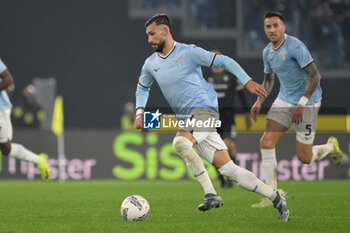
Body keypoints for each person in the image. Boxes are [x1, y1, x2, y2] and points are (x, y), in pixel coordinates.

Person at [134, 13, 290, 221]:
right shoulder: (150, 64)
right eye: (147, 35)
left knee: (180, 142)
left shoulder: (189, 52)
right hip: (187, 119)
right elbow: (142, 88)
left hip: (204, 110)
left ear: (165, 31)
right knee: (229, 169)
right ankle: (276, 197)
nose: (149, 40)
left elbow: (224, 61)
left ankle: (211, 193)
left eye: (152, 34)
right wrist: (139, 112)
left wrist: (248, 81)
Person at [250, 11, 343, 208]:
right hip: (284, 100)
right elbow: (269, 79)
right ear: (265, 29)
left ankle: (331, 148)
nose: (272, 30)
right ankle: (272, 194)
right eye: (268, 26)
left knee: (305, 158)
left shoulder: (296, 46)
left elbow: (315, 76)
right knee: (266, 142)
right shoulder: (267, 52)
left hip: (307, 103)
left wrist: (301, 103)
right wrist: (259, 101)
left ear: (283, 27)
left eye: (276, 25)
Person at [205, 49, 252, 188]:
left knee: (230, 147)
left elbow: (241, 95)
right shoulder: (205, 76)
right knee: (214, 150)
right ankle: (221, 179)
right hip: (211, 118)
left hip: (228, 117)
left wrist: (247, 114)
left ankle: (233, 177)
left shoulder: (231, 76)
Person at [0, 58, 51, 181]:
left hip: (1, 110)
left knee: (6, 149)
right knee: (6, 149)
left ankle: (39, 160)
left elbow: (8, 80)